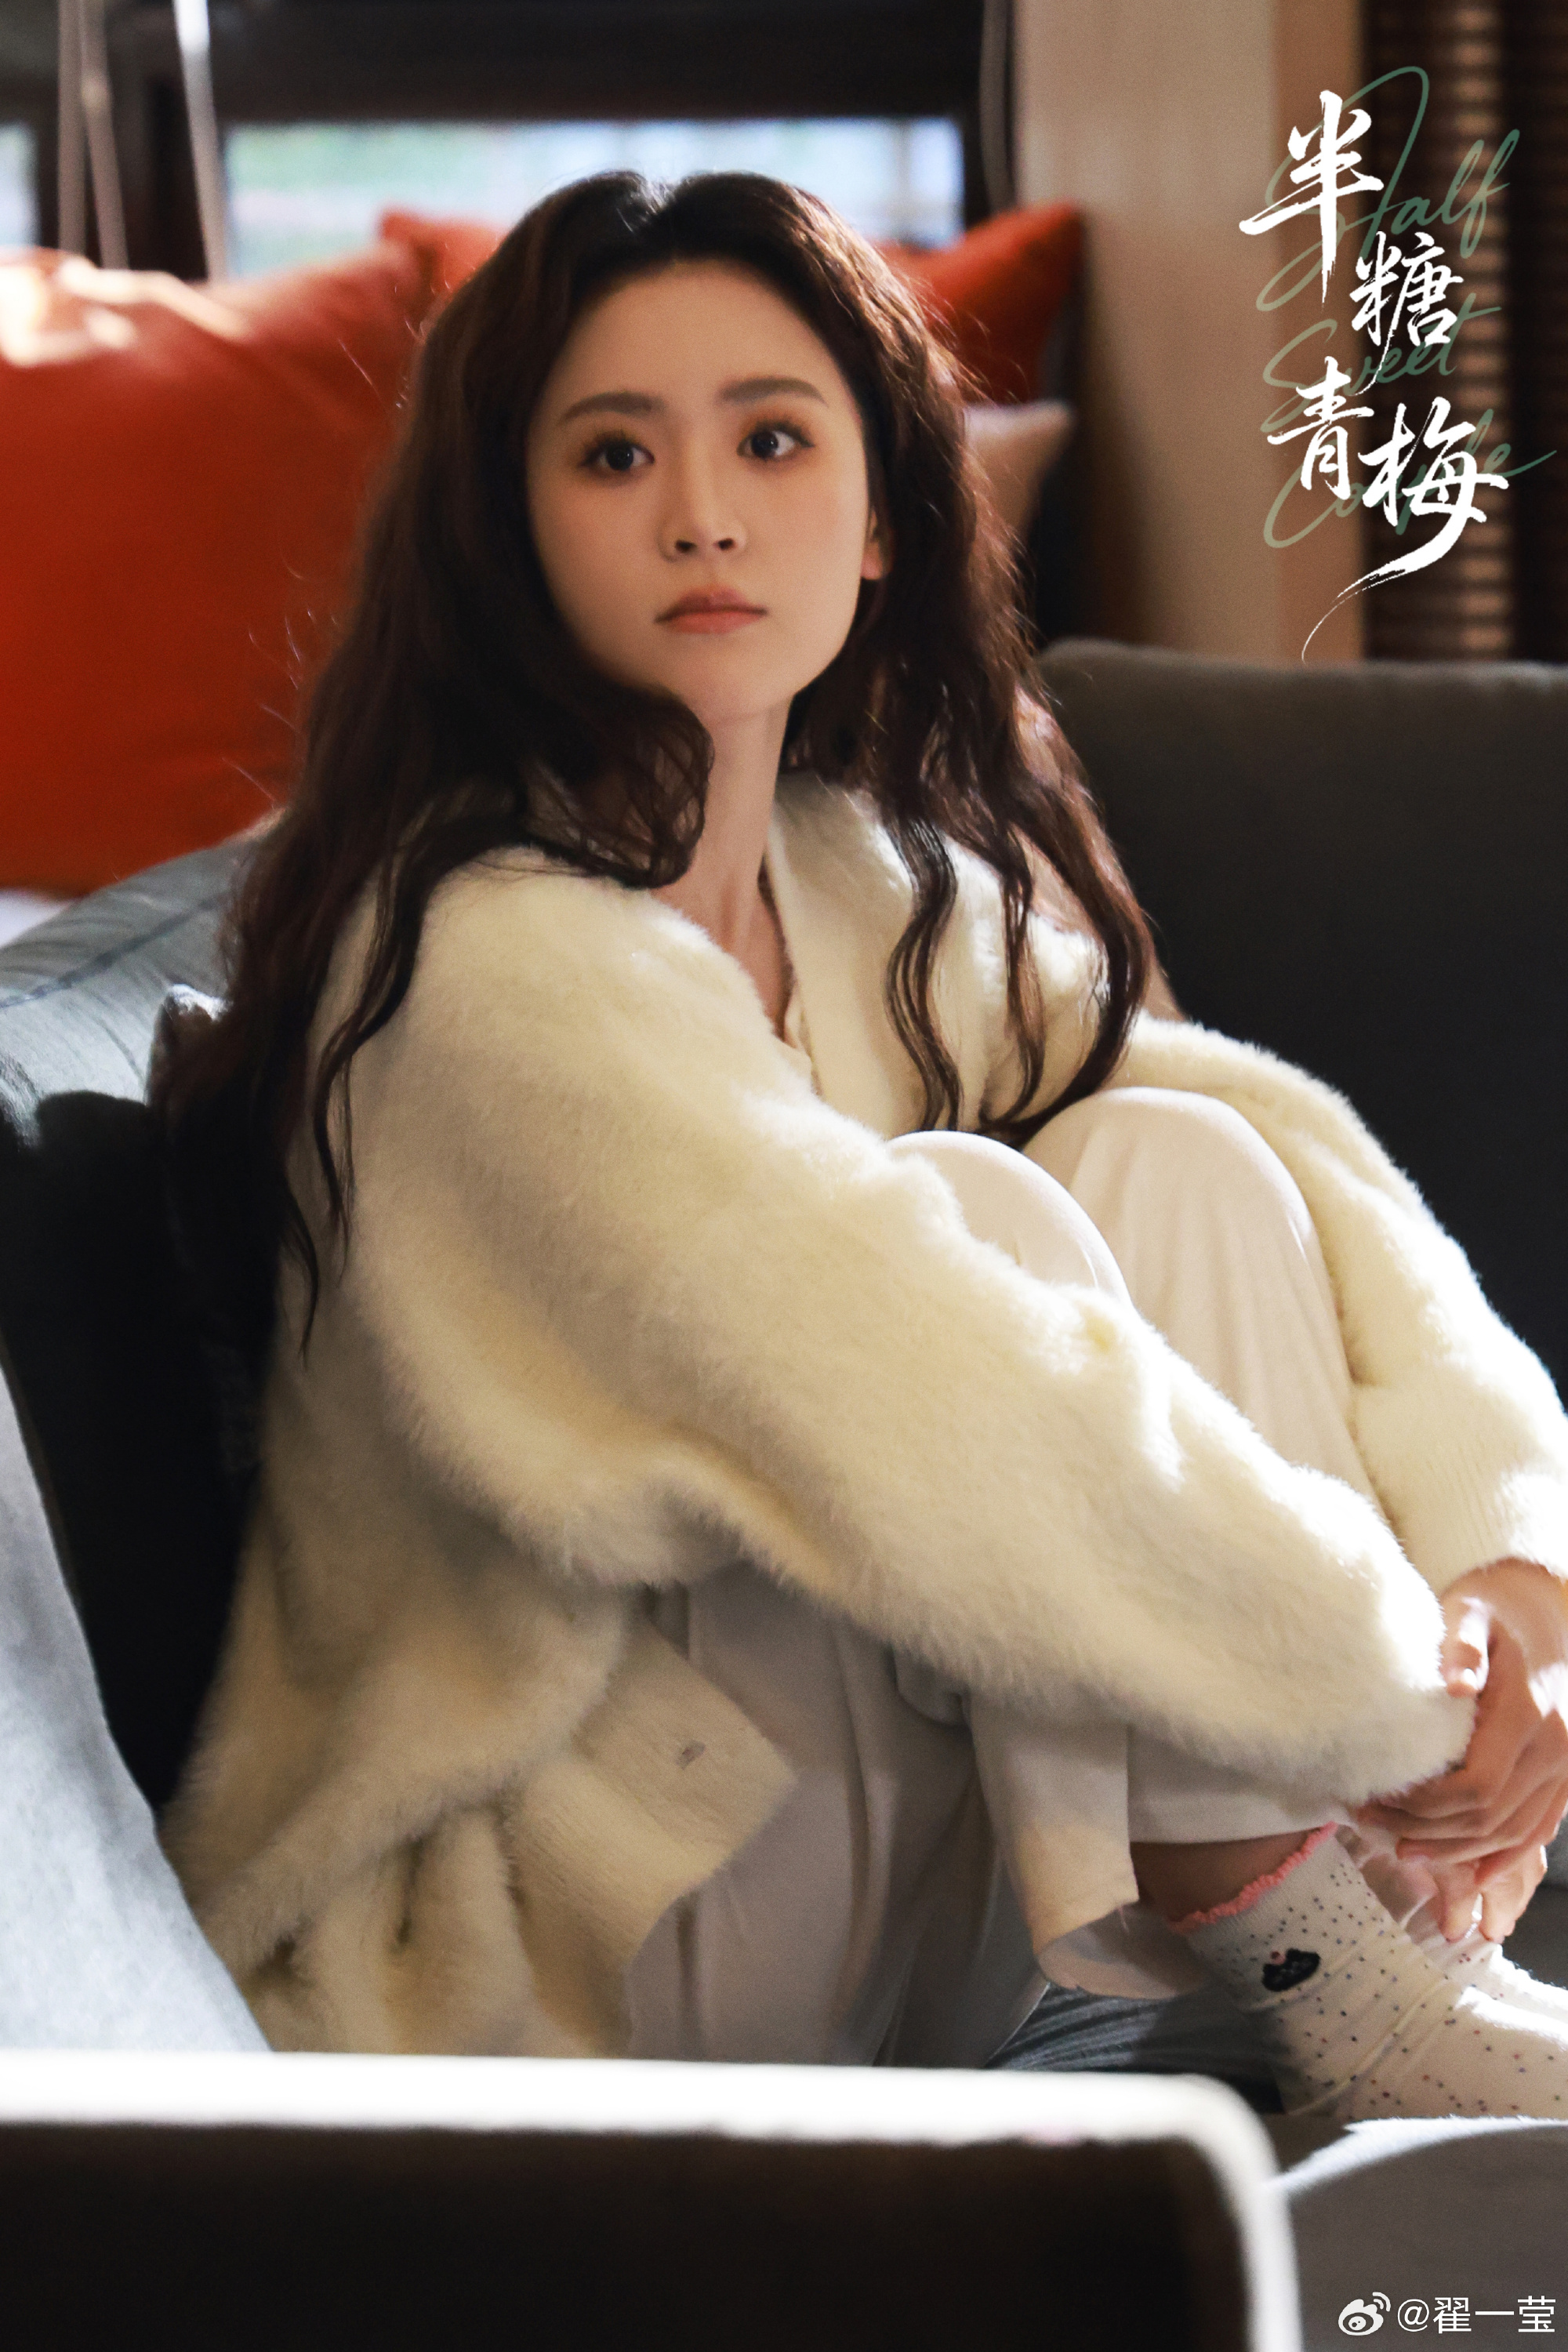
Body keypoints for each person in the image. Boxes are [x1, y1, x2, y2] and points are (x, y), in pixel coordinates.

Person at [154, 172, 1568, 2117]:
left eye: (771, 439)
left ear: (885, 516)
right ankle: (1328, 1955)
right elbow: (926, 1394)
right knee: (973, 1217)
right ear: (509, 528)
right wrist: (1397, 1702)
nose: (702, 513)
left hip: (854, 1890)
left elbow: (1302, 1167)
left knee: (1175, 1154)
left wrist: (1511, 1582)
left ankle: (1341, 1951)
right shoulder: (491, 959)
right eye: (612, 454)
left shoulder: (865, 893)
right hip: (564, 1950)